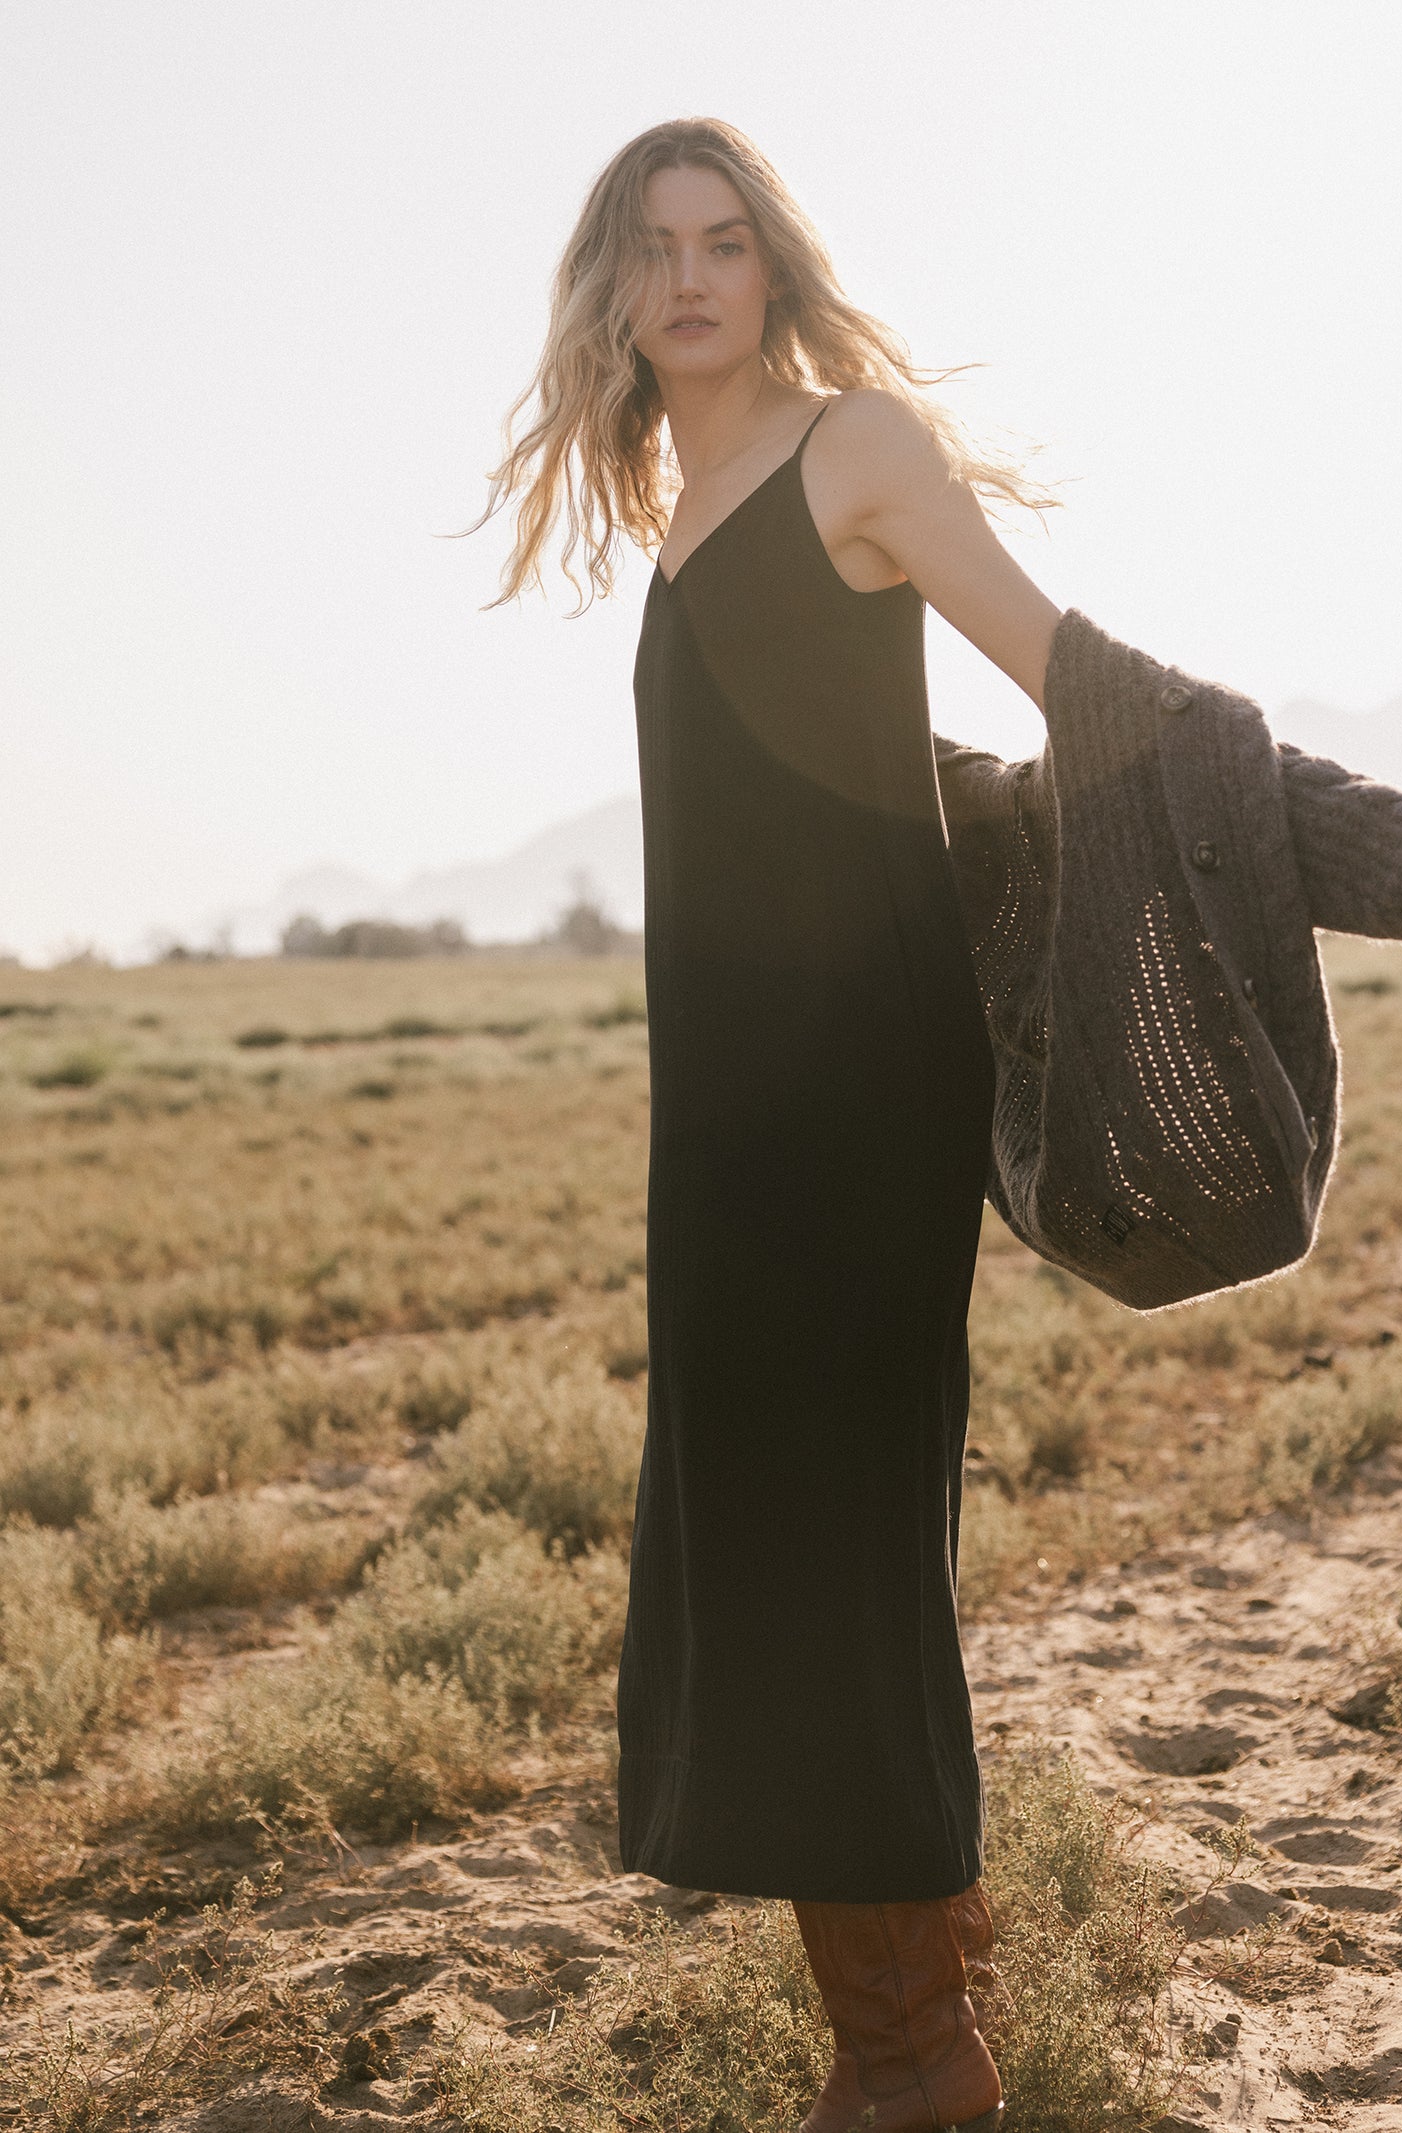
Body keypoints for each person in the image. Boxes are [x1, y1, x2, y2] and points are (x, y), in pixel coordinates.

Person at [480, 115, 1065, 2133]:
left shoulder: (850, 448)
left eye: (723, 239)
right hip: (726, 1106)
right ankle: (934, 1952)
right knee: (801, 1530)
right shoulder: (681, 487)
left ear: (771, 262)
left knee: (818, 1540)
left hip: (855, 1093)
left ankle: (910, 2053)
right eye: (652, 251)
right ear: (615, 290)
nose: (691, 279)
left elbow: (1057, 663)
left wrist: (1251, 826)